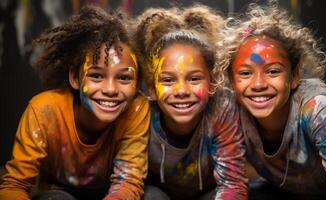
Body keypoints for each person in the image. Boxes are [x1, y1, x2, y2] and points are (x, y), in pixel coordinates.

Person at [0, 6, 150, 200]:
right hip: (55, 192)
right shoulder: (44, 110)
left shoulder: (136, 108)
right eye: (96, 76)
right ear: (75, 78)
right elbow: (15, 185)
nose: (111, 89)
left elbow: (128, 182)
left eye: (124, 78)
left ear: (137, 83)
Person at [218, 2, 326, 200]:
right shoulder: (231, 111)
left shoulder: (318, 109)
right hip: (282, 191)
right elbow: (232, 184)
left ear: (295, 75)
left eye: (273, 71)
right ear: (231, 80)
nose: (259, 84)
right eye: (245, 73)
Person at [133, 5, 248, 200]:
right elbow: (127, 179)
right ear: (151, 89)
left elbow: (232, 184)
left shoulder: (222, 109)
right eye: (168, 80)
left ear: (212, 83)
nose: (182, 91)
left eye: (194, 79)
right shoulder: (139, 112)